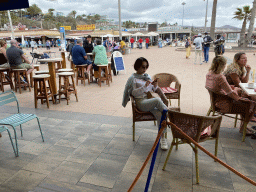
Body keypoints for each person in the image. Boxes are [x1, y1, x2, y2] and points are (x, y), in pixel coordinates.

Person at [122, 57, 172, 150]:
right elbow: (133, 93)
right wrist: (144, 86)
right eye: (143, 67)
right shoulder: (133, 79)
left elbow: (153, 90)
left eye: (146, 67)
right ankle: (172, 116)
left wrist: (155, 85)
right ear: (137, 67)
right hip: (140, 103)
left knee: (160, 114)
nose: (144, 69)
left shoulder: (146, 76)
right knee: (157, 101)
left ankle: (163, 139)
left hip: (149, 101)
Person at [205, 56, 256, 135]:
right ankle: (243, 128)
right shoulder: (220, 77)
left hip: (216, 102)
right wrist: (236, 91)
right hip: (225, 104)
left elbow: (221, 88)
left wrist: (233, 89)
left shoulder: (209, 73)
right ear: (222, 66)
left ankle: (243, 126)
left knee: (246, 100)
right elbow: (231, 94)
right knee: (251, 104)